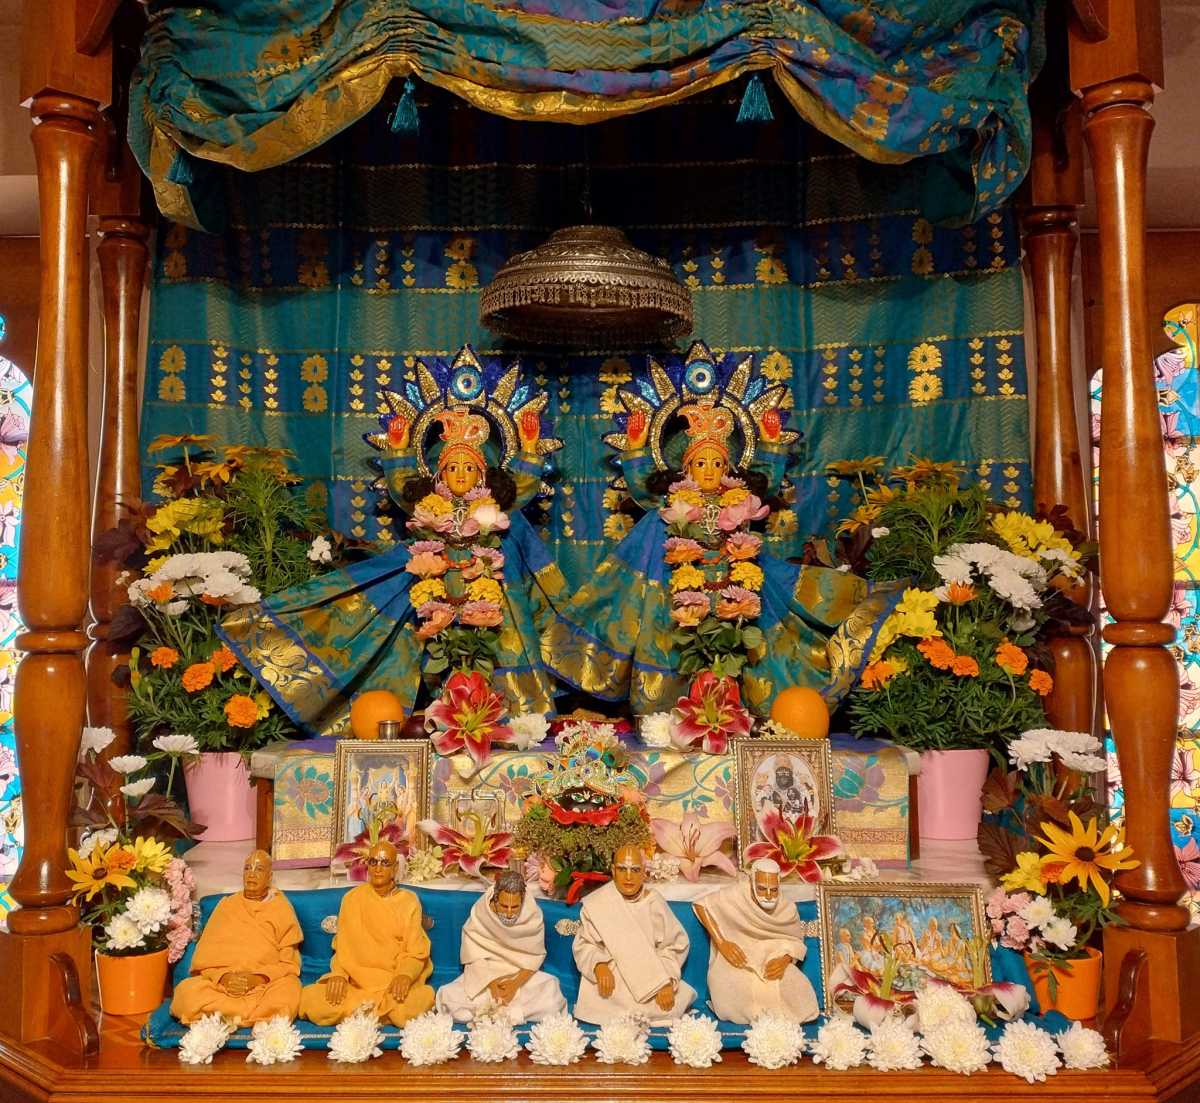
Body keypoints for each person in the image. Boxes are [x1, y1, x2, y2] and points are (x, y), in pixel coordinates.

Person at [219, 347, 567, 735]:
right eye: (452, 467)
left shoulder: (493, 510)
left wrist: (530, 448)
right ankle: (444, 716)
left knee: (500, 648)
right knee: (432, 649)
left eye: (469, 467)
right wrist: (398, 449)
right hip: (433, 587)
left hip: (490, 593)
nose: (460, 474)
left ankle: (511, 720)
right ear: (438, 475)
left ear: (483, 476)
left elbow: (521, 488)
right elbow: (402, 488)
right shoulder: (429, 509)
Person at [541, 341, 885, 717]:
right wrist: (636, 448)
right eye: (700, 463)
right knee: (673, 646)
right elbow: (642, 489)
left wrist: (771, 444)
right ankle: (669, 712)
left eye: (717, 463)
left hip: (732, 589)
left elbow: (766, 482)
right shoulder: (674, 504)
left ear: (728, 469)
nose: (709, 470)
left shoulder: (738, 503)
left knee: (740, 647)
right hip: (676, 592)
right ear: (685, 469)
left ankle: (729, 708)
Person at [298, 840, 434, 1026]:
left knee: (416, 1002)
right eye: (373, 862)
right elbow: (343, 947)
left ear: (395, 868)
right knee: (310, 998)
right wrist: (339, 975)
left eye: (385, 863)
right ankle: (380, 1012)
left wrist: (405, 975)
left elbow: (416, 952)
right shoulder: (352, 899)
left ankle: (365, 1011)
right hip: (356, 985)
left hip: (392, 984)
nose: (378, 868)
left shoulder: (409, 901)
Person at [170, 850, 302, 1025]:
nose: (251, 874)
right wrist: (224, 977)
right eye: (247, 868)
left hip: (264, 985)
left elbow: (289, 964)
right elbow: (204, 959)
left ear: (269, 877)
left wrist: (257, 979)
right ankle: (257, 1017)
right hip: (223, 986)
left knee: (290, 990)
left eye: (259, 869)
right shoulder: (227, 905)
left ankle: (224, 1016)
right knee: (185, 994)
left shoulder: (281, 907)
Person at [571, 845, 695, 1025]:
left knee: (668, 1007)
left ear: (644, 872)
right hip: (613, 983)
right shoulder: (599, 903)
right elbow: (584, 944)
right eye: (622, 869)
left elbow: (675, 945)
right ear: (613, 870)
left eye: (635, 870)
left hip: (650, 977)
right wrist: (598, 965)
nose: (628, 877)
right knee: (600, 1005)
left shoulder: (654, 902)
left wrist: (666, 980)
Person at [692, 859, 818, 1024]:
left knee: (800, 992)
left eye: (773, 890)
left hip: (773, 959)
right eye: (762, 889)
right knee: (730, 990)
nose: (768, 895)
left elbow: (796, 941)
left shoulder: (787, 908)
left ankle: (773, 1021)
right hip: (738, 959)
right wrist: (722, 943)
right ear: (752, 883)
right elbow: (702, 905)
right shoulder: (738, 893)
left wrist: (785, 960)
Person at [435, 871, 566, 1024]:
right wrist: (491, 984)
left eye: (515, 907)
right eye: (504, 906)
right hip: (484, 974)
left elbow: (534, 956)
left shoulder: (532, 914)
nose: (509, 913)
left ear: (523, 899)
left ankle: (493, 1014)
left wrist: (514, 984)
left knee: (552, 998)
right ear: (495, 899)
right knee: (450, 999)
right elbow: (473, 953)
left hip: (519, 974)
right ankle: (498, 1013)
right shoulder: (481, 911)